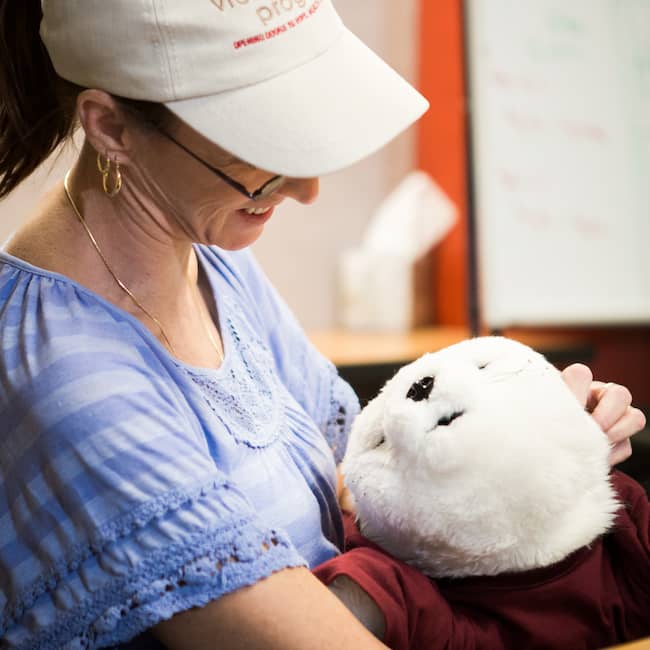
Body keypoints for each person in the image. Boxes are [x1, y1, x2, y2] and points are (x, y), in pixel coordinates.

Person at [0, 1, 645, 649]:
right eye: (263, 146)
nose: (307, 190)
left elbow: (351, 485)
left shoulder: (208, 258)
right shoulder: (67, 378)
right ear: (110, 126)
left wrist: (528, 457)